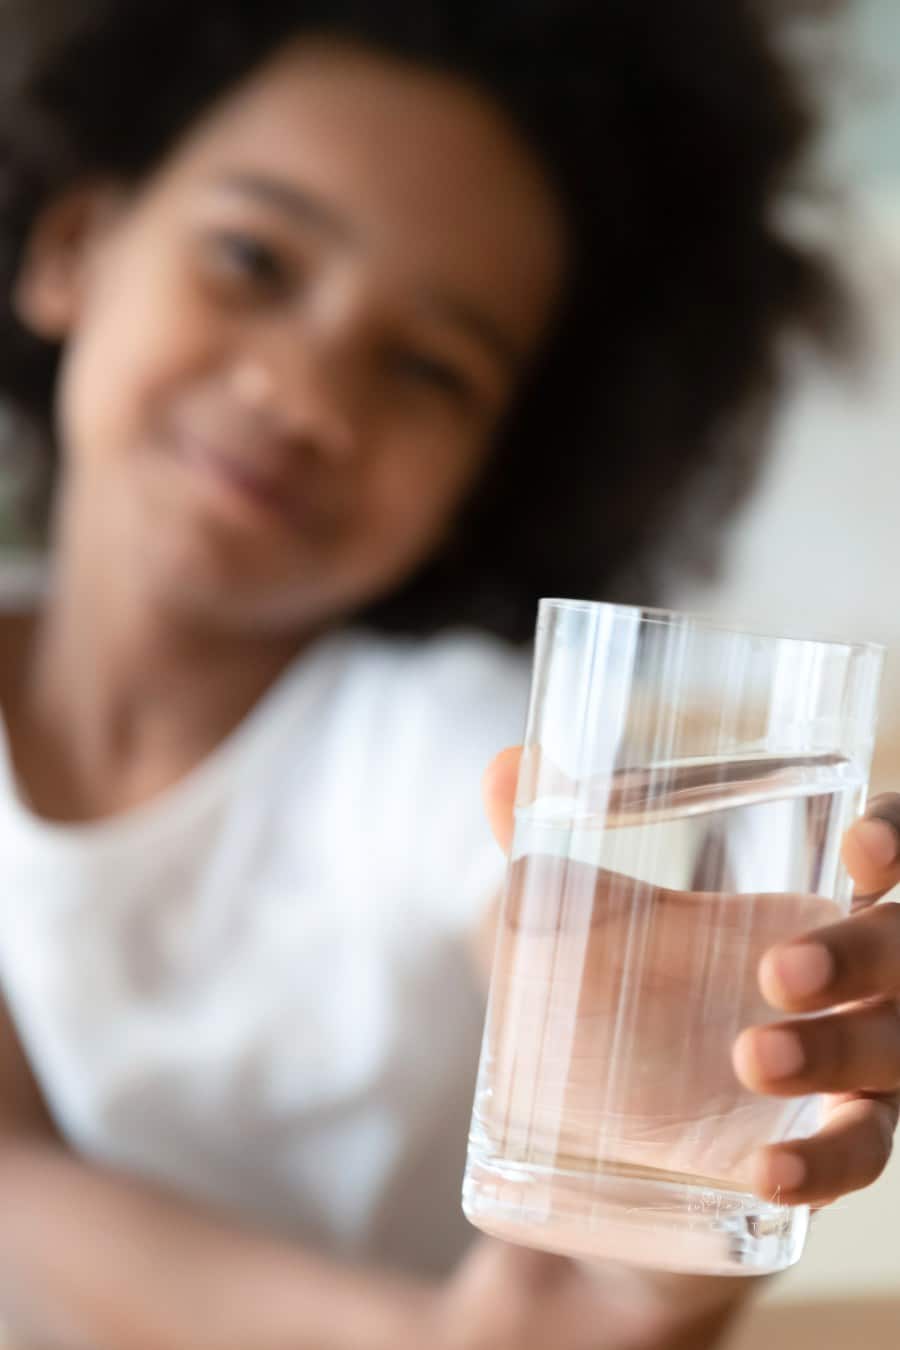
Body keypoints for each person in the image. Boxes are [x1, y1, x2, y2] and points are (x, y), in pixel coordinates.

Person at [0, 1, 898, 1347]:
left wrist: (660, 1224)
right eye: (253, 256)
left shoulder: (439, 743)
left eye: (427, 366)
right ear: (73, 247)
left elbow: (556, 928)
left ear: (497, 470)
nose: (306, 393)